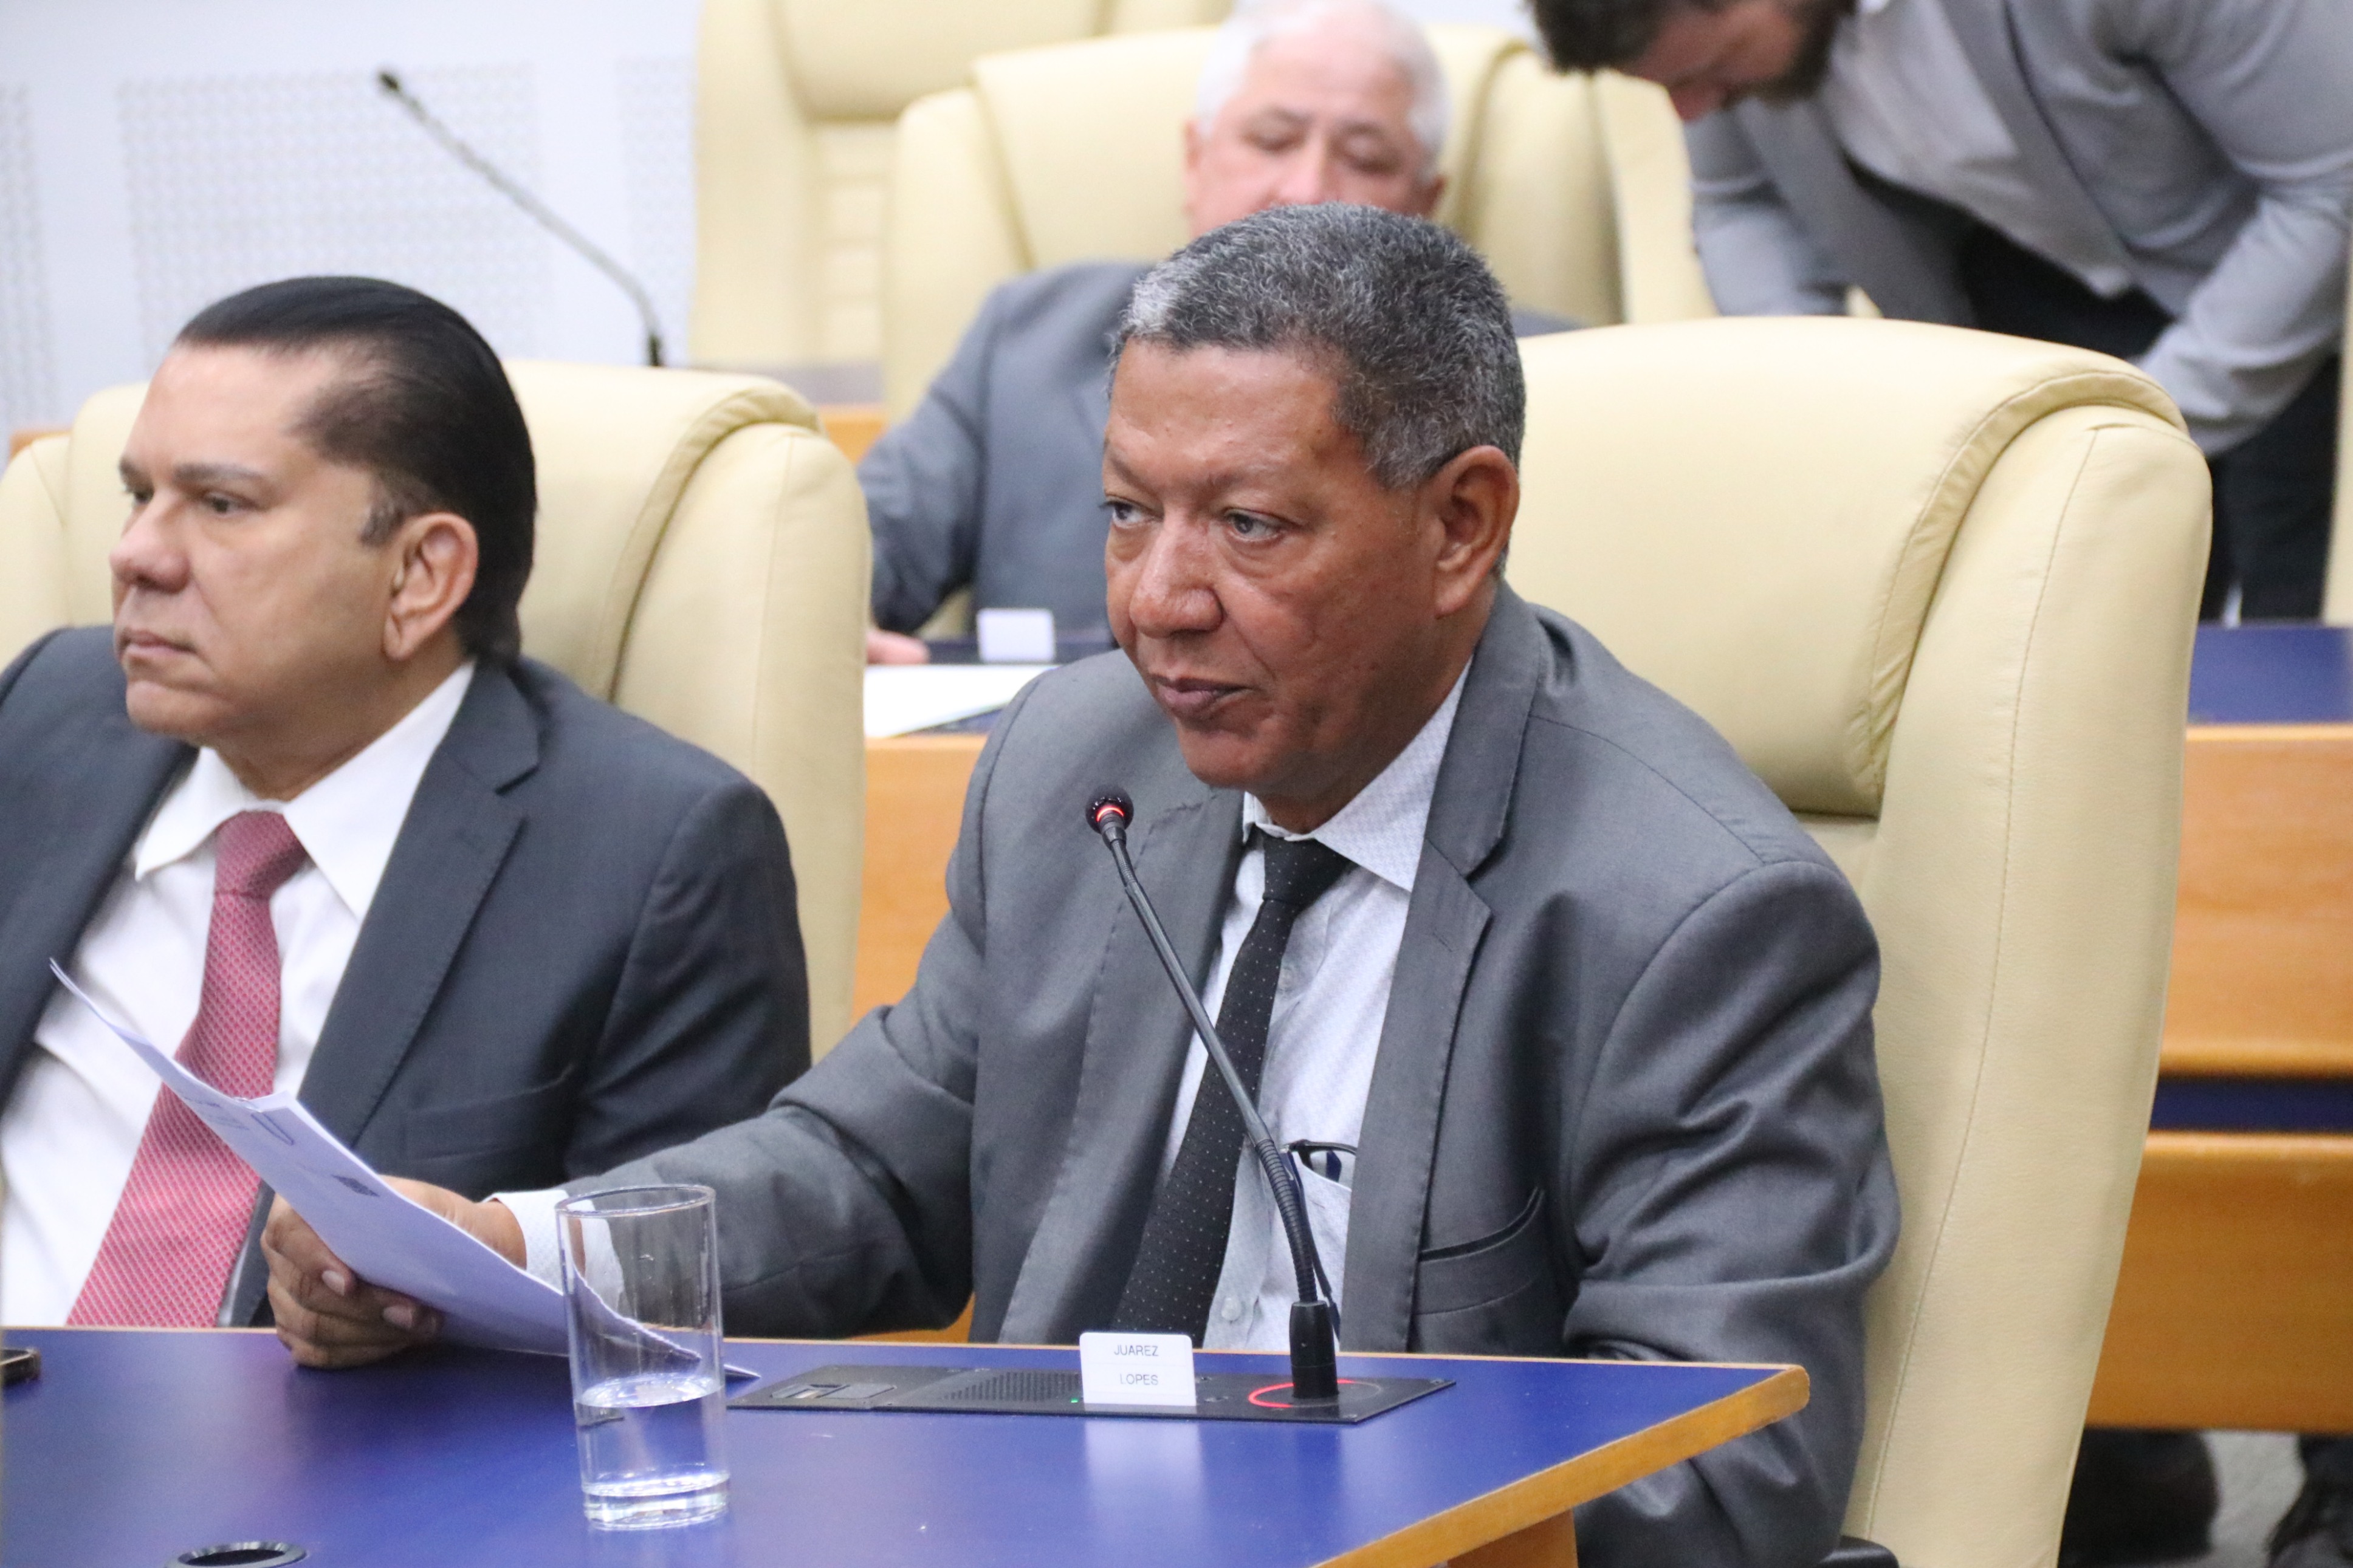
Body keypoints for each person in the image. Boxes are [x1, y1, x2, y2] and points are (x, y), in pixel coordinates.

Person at [265, 206, 1897, 1567]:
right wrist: (502, 1250)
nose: (1157, 600)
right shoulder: (1080, 762)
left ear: (1461, 525)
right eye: (1126, 513)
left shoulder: (1692, 911)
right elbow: (874, 1168)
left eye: (1248, 525)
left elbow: (1724, 1469)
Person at [0, 276, 808, 1332]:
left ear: (421, 575)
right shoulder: (45, 716)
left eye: (221, 504)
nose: (136, 554)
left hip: (335, 1434)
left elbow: (668, 1317)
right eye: (137, 495)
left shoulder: (652, 856)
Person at [1529, 0, 2351, 623]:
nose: (1692, 111)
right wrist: (1812, 396)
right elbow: (1741, 201)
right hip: (2020, 313)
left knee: (2281, 673)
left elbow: (2328, 185)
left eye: (1707, 71)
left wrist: (2142, 423)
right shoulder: (1733, 60)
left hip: (2283, 307)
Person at [862, 0, 1572, 664]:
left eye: (1364, 158)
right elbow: (851, 546)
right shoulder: (1028, 339)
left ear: (1424, 203)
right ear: (1195, 161)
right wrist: (831, 614)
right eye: (1271, 141)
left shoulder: (1560, 375)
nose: (1305, 188)